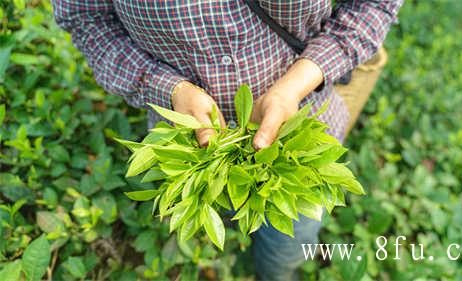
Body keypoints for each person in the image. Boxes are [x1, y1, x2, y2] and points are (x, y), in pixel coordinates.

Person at [52, 1, 402, 280]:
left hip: (298, 152)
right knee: (218, 228)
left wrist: (295, 84)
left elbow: (373, 6)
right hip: (195, 157)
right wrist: (169, 89)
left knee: (287, 247)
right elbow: (87, 20)